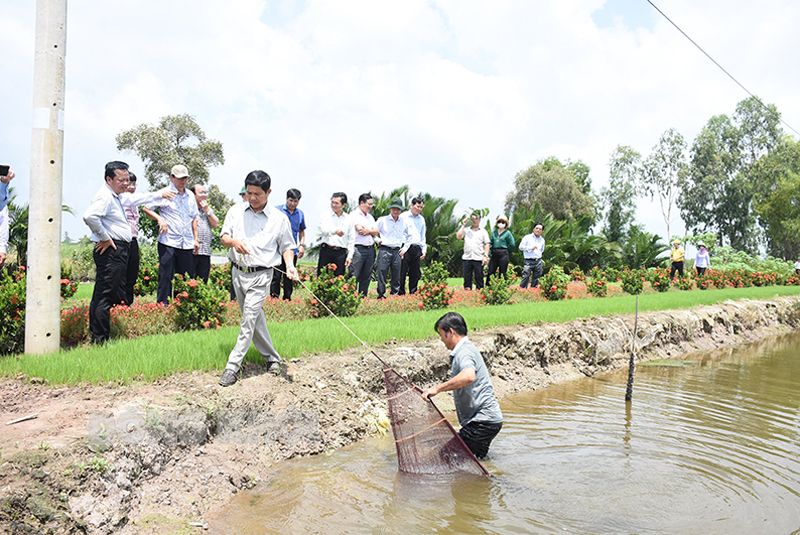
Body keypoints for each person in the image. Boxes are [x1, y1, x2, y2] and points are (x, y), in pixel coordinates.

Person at [218, 170, 298, 387]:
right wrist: (234, 243)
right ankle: (272, 358)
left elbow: (287, 247)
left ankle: (232, 366)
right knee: (254, 319)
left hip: (262, 275)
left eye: (257, 194)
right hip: (238, 272)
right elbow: (224, 237)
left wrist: (290, 266)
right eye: (249, 193)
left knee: (248, 320)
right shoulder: (235, 211)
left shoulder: (279, 219)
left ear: (268, 192)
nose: (252, 198)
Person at [423, 312, 503, 459]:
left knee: (446, 456)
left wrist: (437, 388)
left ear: (450, 332)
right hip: (489, 421)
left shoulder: (464, 351)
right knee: (476, 461)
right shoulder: (466, 349)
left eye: (441, 335)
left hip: (482, 422)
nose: (441, 340)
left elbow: (468, 376)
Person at [83, 161, 132, 344]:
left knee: (109, 294)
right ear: (109, 179)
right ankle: (100, 339)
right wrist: (104, 237)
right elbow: (89, 216)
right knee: (104, 294)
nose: (125, 183)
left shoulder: (114, 196)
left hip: (118, 249)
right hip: (111, 251)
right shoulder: (105, 196)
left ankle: (103, 335)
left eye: (127, 179)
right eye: (121, 180)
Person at [143, 164, 199, 304]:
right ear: (172, 177)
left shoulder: (190, 195)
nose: (182, 181)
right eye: (179, 178)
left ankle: (182, 306)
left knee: (185, 278)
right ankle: (163, 306)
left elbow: (194, 218)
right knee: (166, 276)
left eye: (184, 178)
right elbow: (146, 208)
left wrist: (196, 239)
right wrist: (159, 219)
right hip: (168, 241)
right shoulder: (165, 193)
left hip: (186, 242)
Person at [119, 172, 176, 304]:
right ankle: (118, 305)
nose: (131, 187)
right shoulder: (121, 199)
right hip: (121, 240)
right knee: (120, 275)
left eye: (133, 184)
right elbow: (145, 200)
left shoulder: (134, 203)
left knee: (131, 274)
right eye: (128, 183)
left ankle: (127, 305)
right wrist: (159, 194)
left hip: (133, 239)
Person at [271, 188, 306, 300]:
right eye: (291, 200)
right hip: (277, 250)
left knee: (289, 276)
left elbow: (301, 231)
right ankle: (274, 299)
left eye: (296, 201)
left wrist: (301, 245)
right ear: (286, 199)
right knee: (276, 276)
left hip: (292, 251)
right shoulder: (276, 211)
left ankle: (287, 299)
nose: (293, 203)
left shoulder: (300, 214)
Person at [346, 193, 379, 297]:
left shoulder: (370, 217)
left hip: (370, 249)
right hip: (358, 249)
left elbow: (376, 232)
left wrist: (368, 231)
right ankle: (350, 297)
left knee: (367, 275)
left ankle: (363, 297)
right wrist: (371, 231)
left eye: (372, 204)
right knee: (354, 274)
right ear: (361, 203)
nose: (371, 206)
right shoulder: (354, 215)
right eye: (369, 204)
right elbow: (360, 230)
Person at [375, 198, 405, 298]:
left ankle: (394, 295)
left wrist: (405, 247)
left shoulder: (403, 221)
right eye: (394, 209)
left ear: (400, 210)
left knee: (396, 274)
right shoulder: (382, 220)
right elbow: (373, 232)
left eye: (398, 209)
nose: (395, 211)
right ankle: (381, 295)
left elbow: (409, 235)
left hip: (397, 251)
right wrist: (378, 240)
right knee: (382, 272)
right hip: (384, 249)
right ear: (390, 209)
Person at [190, 184, 220, 283]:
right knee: (189, 281)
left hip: (205, 252)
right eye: (201, 193)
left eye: (205, 192)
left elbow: (216, 224)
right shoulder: (189, 208)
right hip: (192, 251)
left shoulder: (207, 210)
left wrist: (207, 210)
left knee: (203, 282)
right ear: (193, 195)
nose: (204, 195)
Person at [317, 192, 349, 276]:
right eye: (332, 202)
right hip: (326, 250)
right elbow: (322, 230)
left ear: (343, 205)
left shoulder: (348, 218)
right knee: (322, 276)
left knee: (339, 278)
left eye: (336, 203)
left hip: (341, 252)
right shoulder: (325, 216)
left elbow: (352, 238)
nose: (333, 205)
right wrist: (335, 231)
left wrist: (350, 256)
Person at [399, 196, 426, 295]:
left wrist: (424, 249)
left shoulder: (421, 219)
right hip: (405, 246)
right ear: (411, 205)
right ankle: (400, 292)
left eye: (421, 207)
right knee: (402, 271)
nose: (419, 209)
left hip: (417, 247)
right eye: (418, 206)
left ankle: (413, 292)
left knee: (415, 272)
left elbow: (423, 235)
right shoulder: (403, 216)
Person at [457, 212, 490, 290]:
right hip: (467, 257)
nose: (474, 220)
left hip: (478, 258)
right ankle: (467, 294)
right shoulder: (466, 230)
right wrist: (463, 224)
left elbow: (487, 244)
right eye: (472, 219)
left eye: (476, 218)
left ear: (479, 220)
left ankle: (480, 293)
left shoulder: (483, 231)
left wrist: (485, 256)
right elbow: (458, 237)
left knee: (479, 278)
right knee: (467, 278)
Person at [486, 215, 515, 286]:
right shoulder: (494, 232)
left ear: (506, 224)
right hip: (494, 254)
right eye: (499, 222)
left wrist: (506, 251)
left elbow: (512, 244)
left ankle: (502, 287)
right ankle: (488, 287)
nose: (501, 223)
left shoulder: (508, 233)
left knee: (502, 272)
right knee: (490, 271)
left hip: (503, 254)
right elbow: (491, 243)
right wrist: (490, 253)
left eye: (503, 222)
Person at [519, 222, 545, 288]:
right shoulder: (527, 237)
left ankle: (533, 291)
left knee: (537, 277)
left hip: (538, 261)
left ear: (542, 231)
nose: (538, 230)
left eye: (540, 229)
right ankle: (522, 290)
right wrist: (530, 248)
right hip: (528, 261)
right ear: (533, 229)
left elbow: (542, 250)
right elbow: (521, 247)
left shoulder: (542, 240)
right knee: (526, 276)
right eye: (537, 228)